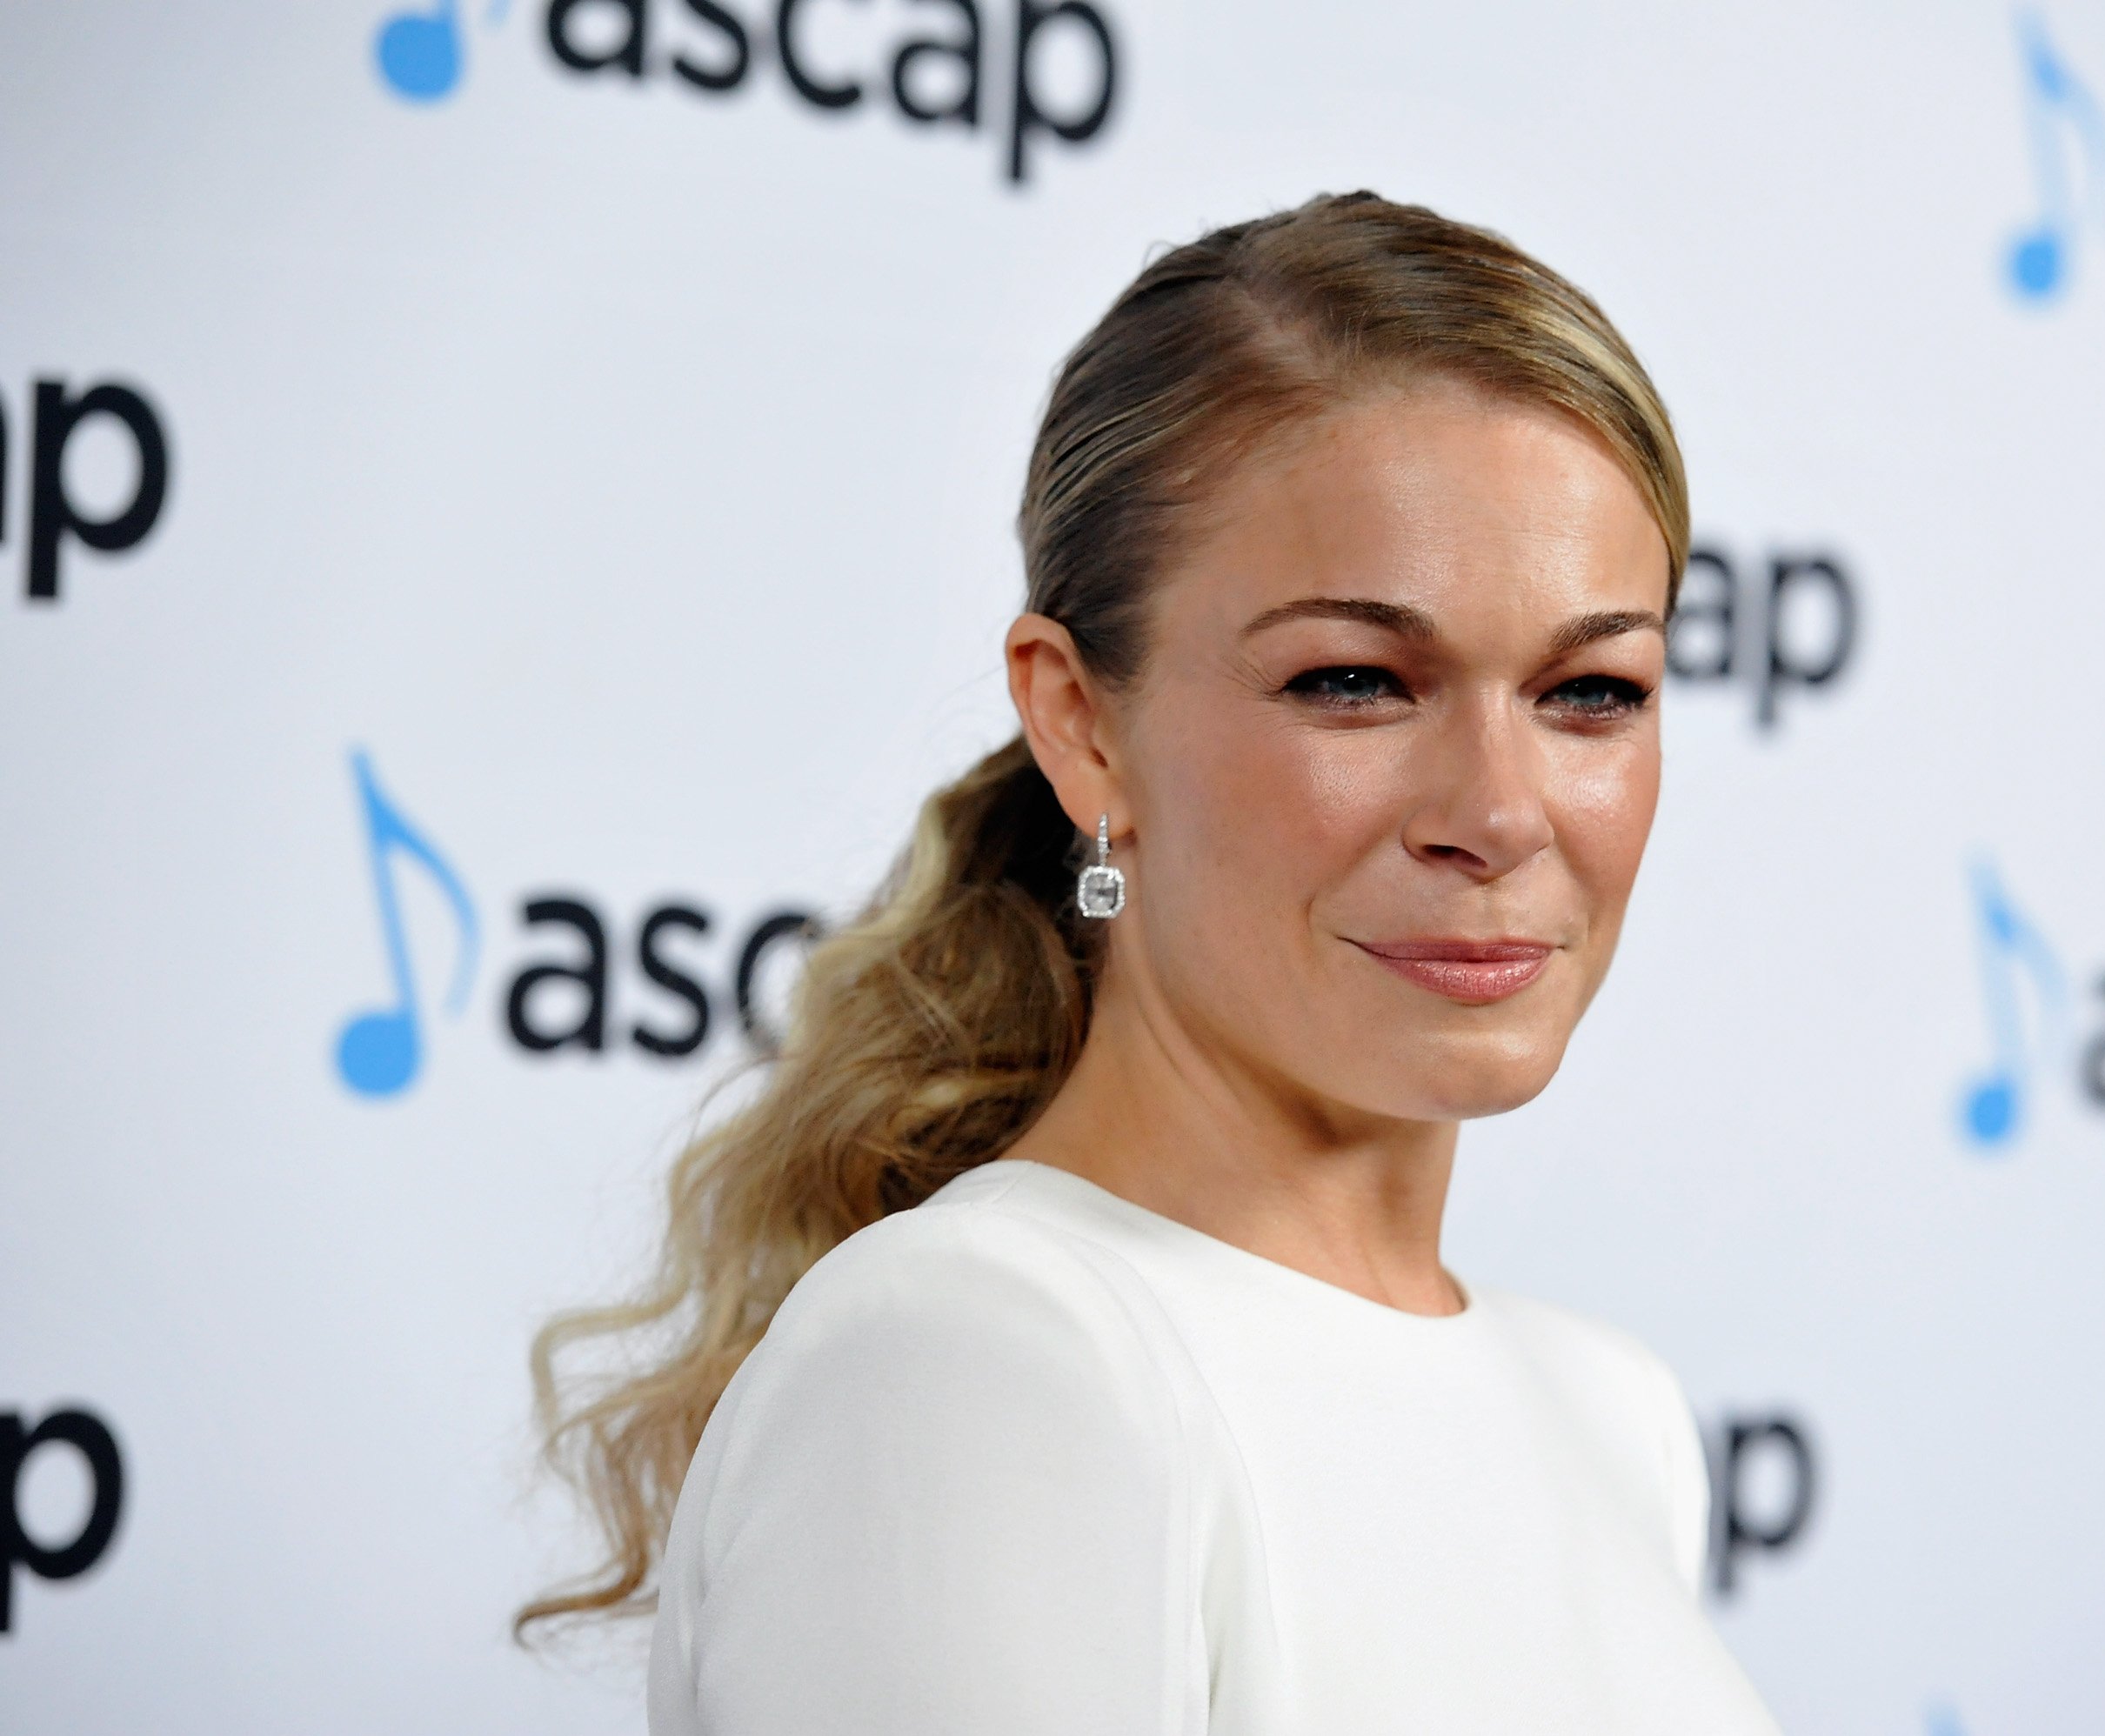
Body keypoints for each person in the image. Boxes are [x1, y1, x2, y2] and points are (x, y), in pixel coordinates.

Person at [521, 191, 1783, 1735]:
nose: (1501, 816)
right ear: (1081, 721)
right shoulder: (979, 1358)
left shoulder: (1616, 1413)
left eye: (1592, 693)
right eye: (1356, 681)